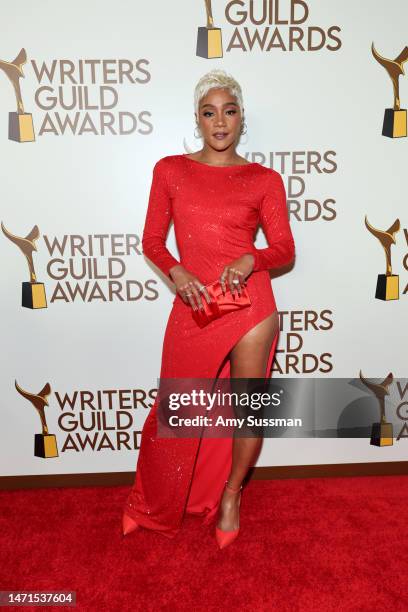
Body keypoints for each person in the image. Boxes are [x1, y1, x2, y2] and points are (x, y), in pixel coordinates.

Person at [122, 68, 295, 549]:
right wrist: (178, 273)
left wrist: (251, 257)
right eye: (209, 111)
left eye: (230, 111)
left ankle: (232, 494)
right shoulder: (170, 170)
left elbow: (283, 249)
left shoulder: (264, 178)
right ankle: (154, 503)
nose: (220, 121)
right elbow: (152, 241)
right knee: (176, 409)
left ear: (243, 119)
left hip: (250, 306)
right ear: (197, 119)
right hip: (195, 303)